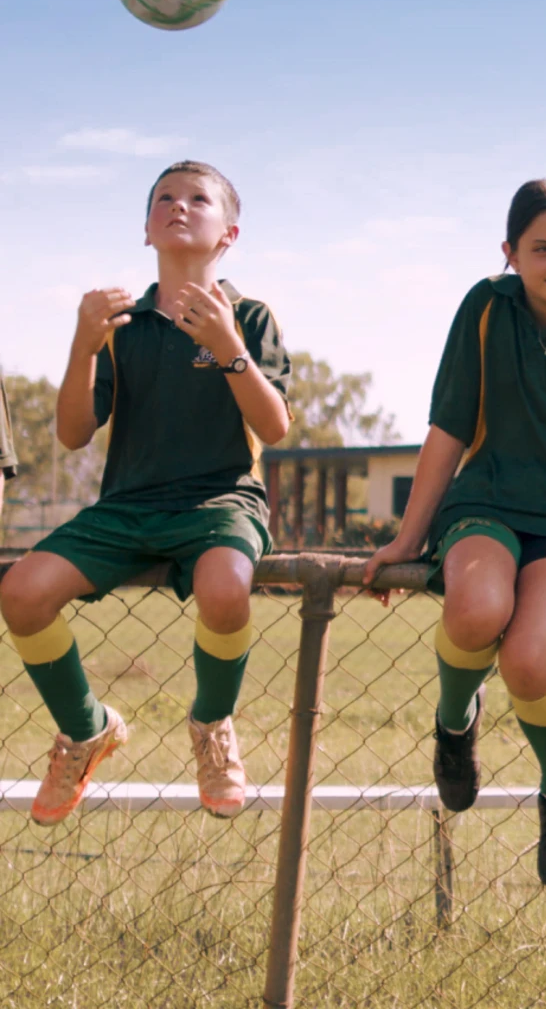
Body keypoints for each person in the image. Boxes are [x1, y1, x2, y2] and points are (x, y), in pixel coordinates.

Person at [362, 177, 546, 888]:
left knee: (529, 660)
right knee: (475, 611)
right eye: (543, 249)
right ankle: (454, 721)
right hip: (489, 501)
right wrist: (408, 538)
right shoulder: (484, 308)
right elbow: (448, 429)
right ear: (510, 253)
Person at [0, 161, 290, 824]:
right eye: (164, 198)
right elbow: (74, 433)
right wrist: (83, 343)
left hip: (220, 503)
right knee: (20, 592)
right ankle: (86, 729)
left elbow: (273, 425)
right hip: (127, 506)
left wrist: (226, 347)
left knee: (225, 591)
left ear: (229, 233)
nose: (178, 206)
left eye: (197, 199)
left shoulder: (248, 313)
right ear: (146, 228)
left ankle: (212, 724)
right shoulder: (120, 322)